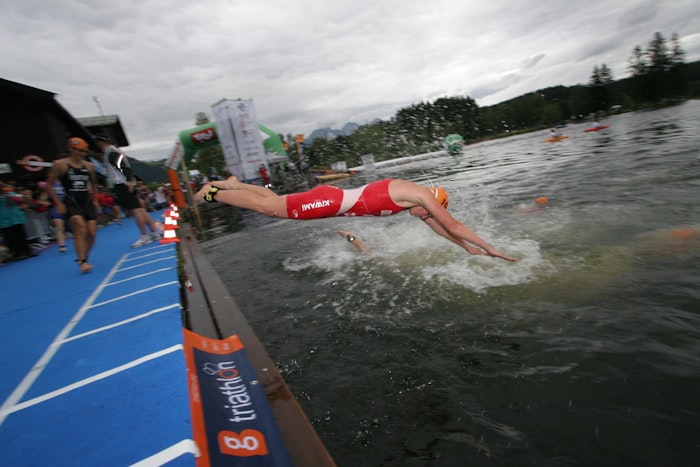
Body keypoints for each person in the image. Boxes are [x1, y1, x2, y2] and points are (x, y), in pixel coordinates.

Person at [194, 176, 516, 261]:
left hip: (331, 201)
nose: (425, 219)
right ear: (433, 203)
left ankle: (235, 185)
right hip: (329, 202)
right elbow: (452, 223)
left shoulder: (415, 204)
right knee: (269, 209)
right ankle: (213, 193)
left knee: (275, 203)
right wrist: (490, 247)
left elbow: (443, 230)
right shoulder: (419, 195)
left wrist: (466, 248)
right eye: (428, 215)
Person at [45, 137, 100, 272]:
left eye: (84, 151)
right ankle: (82, 262)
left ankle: (84, 256)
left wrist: (95, 201)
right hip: (71, 200)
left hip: (86, 200)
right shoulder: (60, 164)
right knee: (80, 229)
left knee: (92, 232)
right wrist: (58, 203)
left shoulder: (89, 166)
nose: (82, 154)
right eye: (79, 151)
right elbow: (49, 185)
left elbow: (94, 184)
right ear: (71, 149)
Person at [95, 135, 160, 247]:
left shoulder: (111, 152)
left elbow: (124, 166)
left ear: (100, 142)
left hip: (122, 183)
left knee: (136, 211)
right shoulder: (112, 151)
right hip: (125, 182)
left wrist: (128, 181)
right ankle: (153, 233)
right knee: (140, 209)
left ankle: (144, 235)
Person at [0, 182, 35, 262]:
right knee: (11, 239)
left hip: (16, 218)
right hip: (4, 221)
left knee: (22, 236)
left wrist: (24, 198)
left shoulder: (11, 193)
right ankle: (17, 254)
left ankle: (28, 251)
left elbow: (23, 200)